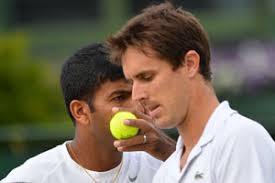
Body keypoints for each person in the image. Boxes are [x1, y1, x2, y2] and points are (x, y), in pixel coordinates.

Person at [107, 2, 275, 183]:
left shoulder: (241, 139)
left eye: (147, 77)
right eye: (132, 82)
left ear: (190, 64)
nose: (136, 95)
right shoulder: (165, 174)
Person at [1, 43, 176, 182]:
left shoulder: (164, 164)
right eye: (120, 97)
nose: (136, 106)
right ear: (81, 112)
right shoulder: (32, 178)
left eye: (136, 93)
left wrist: (168, 151)